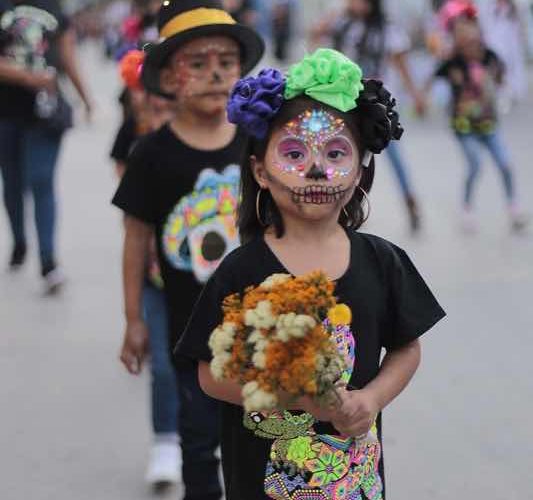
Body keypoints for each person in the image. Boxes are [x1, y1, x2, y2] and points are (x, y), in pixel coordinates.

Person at [176, 48, 446, 499]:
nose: (317, 170)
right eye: (295, 153)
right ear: (260, 171)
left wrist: (372, 398)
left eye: (336, 153)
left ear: (360, 169)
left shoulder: (383, 261)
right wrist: (298, 399)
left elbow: (406, 350)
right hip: (264, 482)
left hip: (354, 481)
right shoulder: (242, 271)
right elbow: (210, 374)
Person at [112, 1, 265, 498]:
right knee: (199, 443)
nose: (215, 73)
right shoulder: (151, 154)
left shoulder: (257, 143)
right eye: (197, 63)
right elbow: (136, 240)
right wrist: (134, 319)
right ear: (172, 77)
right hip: (187, 333)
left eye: (225, 61)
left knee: (258, 439)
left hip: (258, 327)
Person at [110, 50, 181, 490]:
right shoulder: (143, 149)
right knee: (165, 367)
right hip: (158, 279)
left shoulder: (216, 144)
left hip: (210, 282)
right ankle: (165, 440)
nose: (158, 115)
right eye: (152, 106)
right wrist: (131, 316)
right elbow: (132, 230)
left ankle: (204, 438)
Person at [0, 0, 92, 293]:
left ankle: (48, 261)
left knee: (41, 181)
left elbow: (68, 58)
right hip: (5, 113)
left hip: (45, 114)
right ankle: (19, 241)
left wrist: (86, 99)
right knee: (12, 184)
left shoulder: (56, 10)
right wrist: (27, 77)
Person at [311, 0, 425, 233]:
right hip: (345, 103)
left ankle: (409, 200)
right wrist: (332, 19)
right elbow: (316, 39)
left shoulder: (387, 29)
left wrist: (416, 95)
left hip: (377, 105)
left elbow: (401, 64)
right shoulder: (343, 24)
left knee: (394, 156)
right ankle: (347, 208)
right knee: (346, 155)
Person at [429, 1, 528, 232]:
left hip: (488, 123)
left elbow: (502, 74)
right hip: (463, 126)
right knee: (475, 165)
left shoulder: (487, 55)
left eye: (469, 28)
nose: (467, 34)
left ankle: (513, 207)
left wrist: (497, 79)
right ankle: (466, 208)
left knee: (505, 163)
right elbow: (432, 77)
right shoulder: (452, 60)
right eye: (460, 30)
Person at [478, 0, 528, 107]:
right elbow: (484, 23)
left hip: (511, 42)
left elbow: (520, 24)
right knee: (498, 68)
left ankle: (512, 90)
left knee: (512, 67)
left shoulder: (512, 7)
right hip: (495, 42)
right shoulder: (488, 6)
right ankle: (502, 92)